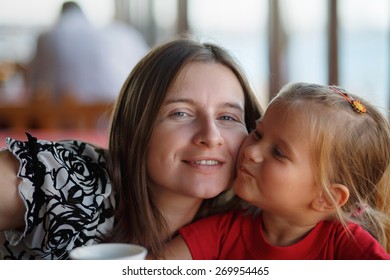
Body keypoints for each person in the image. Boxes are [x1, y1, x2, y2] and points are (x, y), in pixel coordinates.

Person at [0, 37, 262, 259]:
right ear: (137, 126)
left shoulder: (249, 222)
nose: (211, 136)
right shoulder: (71, 182)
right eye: (181, 113)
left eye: (227, 117)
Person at [159, 82, 390, 260]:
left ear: (326, 197)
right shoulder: (223, 232)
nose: (251, 151)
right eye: (258, 134)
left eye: (278, 152)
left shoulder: (347, 248)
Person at [28, 1, 149, 103]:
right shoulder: (121, 34)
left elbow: (33, 82)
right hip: (118, 115)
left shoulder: (47, 37)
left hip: (65, 124)